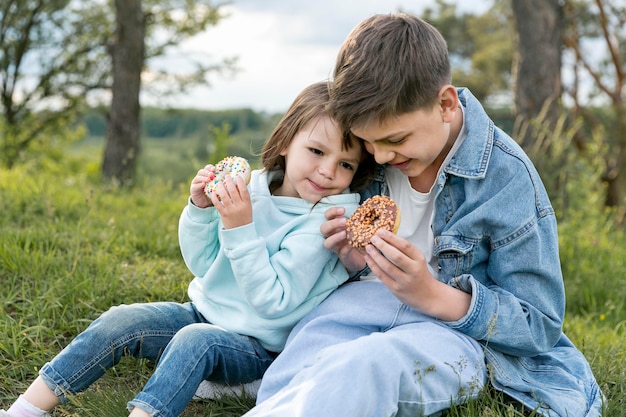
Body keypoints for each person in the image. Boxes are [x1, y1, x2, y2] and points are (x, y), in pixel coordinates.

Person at [243, 13, 604, 417]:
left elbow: (539, 323)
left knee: (370, 365)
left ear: (445, 104)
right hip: (363, 302)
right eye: (367, 142)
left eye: (394, 140)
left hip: (450, 330)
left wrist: (431, 295)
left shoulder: (506, 181)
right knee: (295, 366)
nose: (378, 157)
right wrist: (352, 261)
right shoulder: (375, 151)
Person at [0, 81, 376, 417]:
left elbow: (273, 302)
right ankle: (27, 408)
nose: (328, 171)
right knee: (120, 320)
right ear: (284, 143)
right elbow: (203, 263)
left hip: (258, 346)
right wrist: (200, 212)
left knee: (194, 341)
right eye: (316, 151)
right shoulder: (253, 187)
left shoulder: (324, 221)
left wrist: (240, 227)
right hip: (202, 312)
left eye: (345, 163)